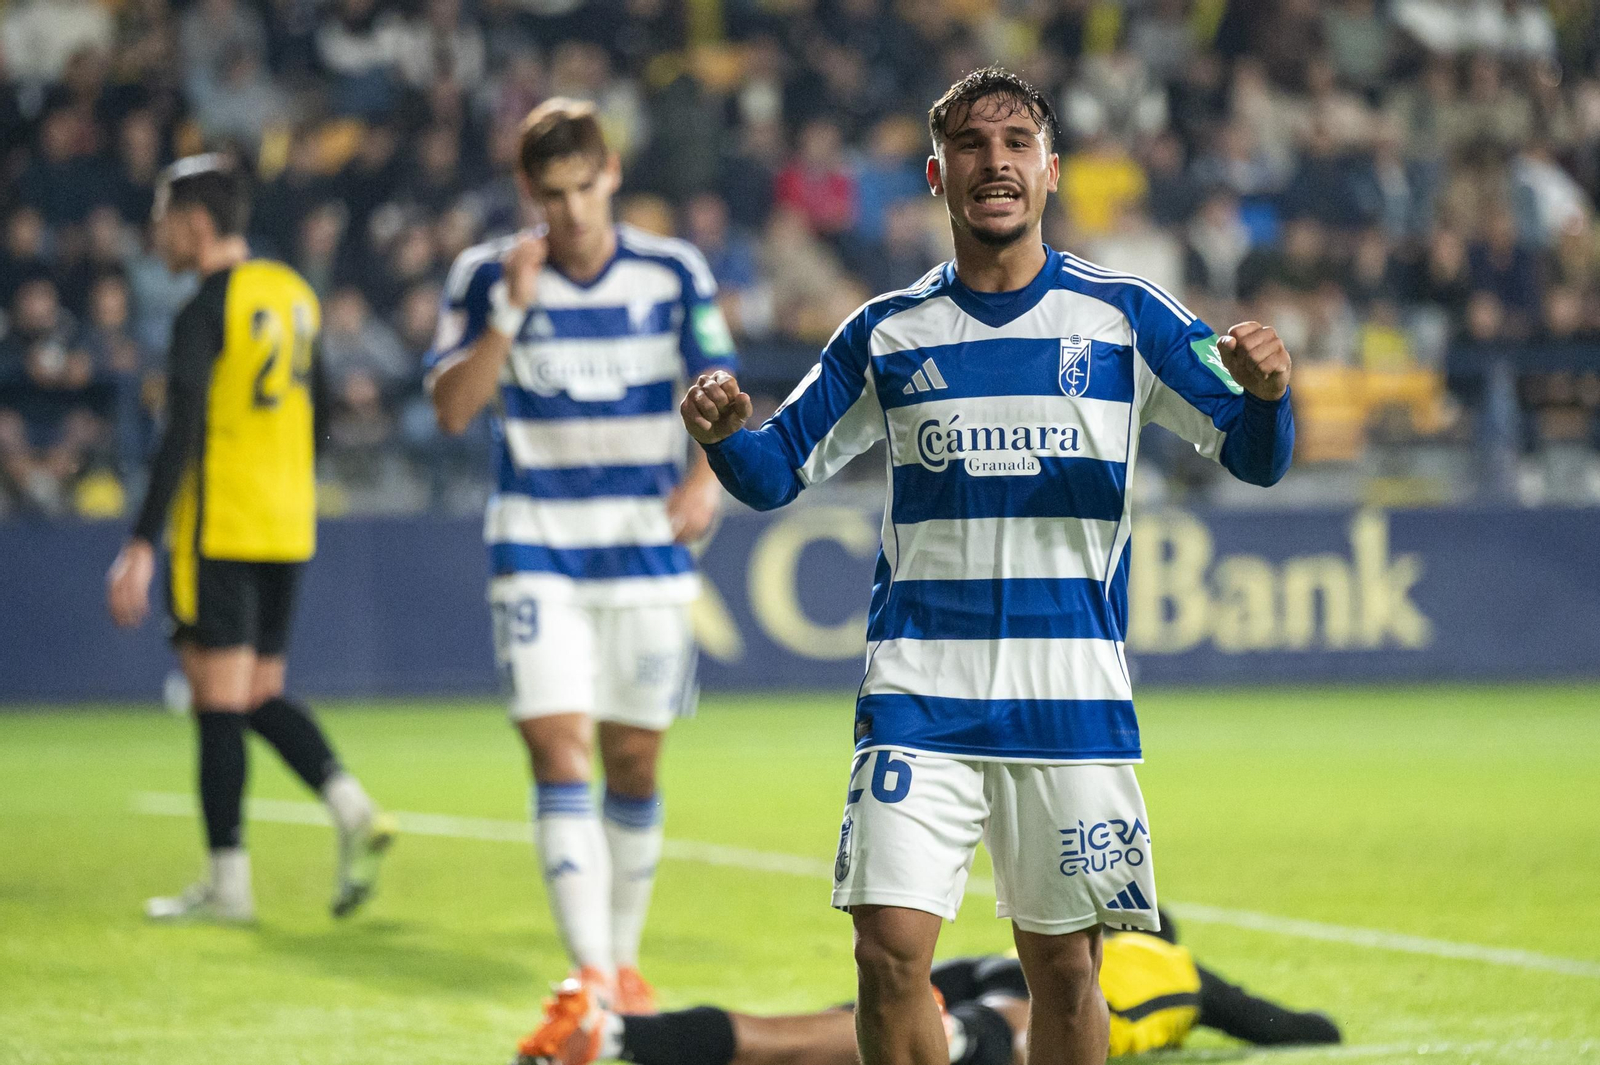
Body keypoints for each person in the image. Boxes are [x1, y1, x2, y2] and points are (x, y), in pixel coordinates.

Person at [677, 68, 1294, 1065]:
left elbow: (1255, 460)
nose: (995, 160)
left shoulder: (1127, 316)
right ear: (936, 173)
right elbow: (772, 472)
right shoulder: (883, 333)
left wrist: (1267, 396)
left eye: (1016, 143)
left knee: (1062, 971)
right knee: (886, 955)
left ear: (1050, 171)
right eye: (971, 144)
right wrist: (721, 437)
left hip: (1069, 691)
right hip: (921, 683)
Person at [425, 99, 736, 1013]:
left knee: (634, 759)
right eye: (551, 195)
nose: (570, 213)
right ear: (528, 191)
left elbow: (717, 386)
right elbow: (450, 409)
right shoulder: (487, 275)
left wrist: (705, 477)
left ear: (611, 177)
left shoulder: (673, 271)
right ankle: (593, 972)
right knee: (559, 752)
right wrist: (512, 314)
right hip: (538, 547)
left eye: (583, 189)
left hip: (644, 550)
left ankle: (623, 957)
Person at [106, 155, 395, 923]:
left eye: (164, 217)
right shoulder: (294, 292)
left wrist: (141, 541)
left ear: (197, 224)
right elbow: (324, 411)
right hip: (288, 521)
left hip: (223, 523)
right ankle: (352, 805)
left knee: (216, 701)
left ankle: (228, 883)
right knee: (258, 691)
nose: (156, 233)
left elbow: (184, 427)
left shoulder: (204, 307)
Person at [513, 914, 1341, 1064]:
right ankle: (617, 1039)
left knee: (818, 1033)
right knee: (963, 1041)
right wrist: (1320, 1025)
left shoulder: (1022, 946)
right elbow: (1287, 1026)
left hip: (988, 977)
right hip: (1033, 1017)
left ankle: (622, 1035)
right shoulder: (1176, 968)